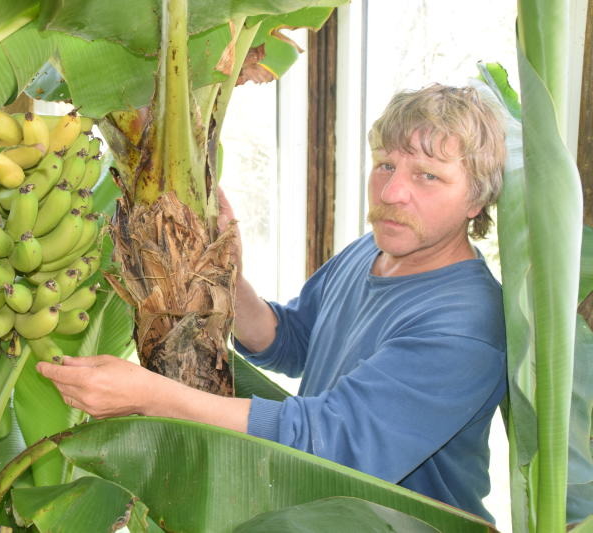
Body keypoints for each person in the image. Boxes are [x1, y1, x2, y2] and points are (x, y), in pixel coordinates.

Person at [37, 83, 508, 522]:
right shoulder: (375, 250)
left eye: (428, 176)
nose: (390, 193)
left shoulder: (465, 324)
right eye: (386, 164)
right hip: (322, 515)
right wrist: (230, 276)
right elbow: (293, 342)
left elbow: (331, 444)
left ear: (476, 199)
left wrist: (149, 395)